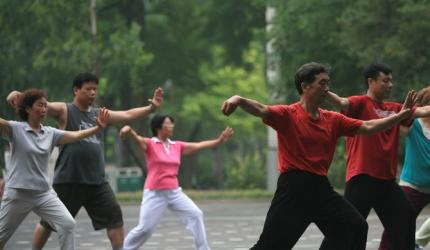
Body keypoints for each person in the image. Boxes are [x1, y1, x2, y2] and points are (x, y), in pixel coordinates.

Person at [220, 62, 416, 250]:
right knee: (271, 246)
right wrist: (238, 99)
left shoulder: (332, 119)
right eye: (322, 83)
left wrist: (397, 117)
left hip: (320, 188)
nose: (327, 88)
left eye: (328, 83)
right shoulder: (288, 114)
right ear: (305, 86)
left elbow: (366, 126)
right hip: (293, 189)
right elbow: (261, 109)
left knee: (354, 226)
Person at [6, 72, 164, 250]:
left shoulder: (100, 114)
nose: (93, 93)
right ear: (76, 90)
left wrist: (151, 108)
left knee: (114, 219)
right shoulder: (64, 110)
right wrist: (17, 95)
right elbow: (38, 104)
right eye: (88, 89)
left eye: (95, 89)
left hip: (97, 181)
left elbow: (127, 114)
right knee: (48, 224)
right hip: (69, 180)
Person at [326, 63, 430, 250]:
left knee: (405, 218)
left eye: (391, 81)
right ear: (371, 81)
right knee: (350, 226)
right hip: (362, 177)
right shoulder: (360, 103)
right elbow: (341, 103)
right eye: (385, 81)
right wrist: (324, 90)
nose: (390, 85)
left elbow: (423, 111)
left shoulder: (396, 108)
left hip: (386, 181)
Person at [0, 88, 109, 250]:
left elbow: (77, 135)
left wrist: (98, 128)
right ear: (28, 109)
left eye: (45, 106)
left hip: (43, 194)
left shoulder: (50, 133)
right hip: (18, 193)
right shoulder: (15, 129)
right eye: (39, 105)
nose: (44, 109)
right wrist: (13, 94)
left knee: (67, 224)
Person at [118, 114, 233, 250]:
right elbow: (136, 139)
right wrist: (128, 130)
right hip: (155, 193)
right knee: (145, 229)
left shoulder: (176, 146)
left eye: (172, 123)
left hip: (174, 193)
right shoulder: (150, 144)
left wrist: (219, 141)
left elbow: (199, 145)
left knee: (195, 214)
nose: (171, 126)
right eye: (168, 123)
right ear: (158, 127)